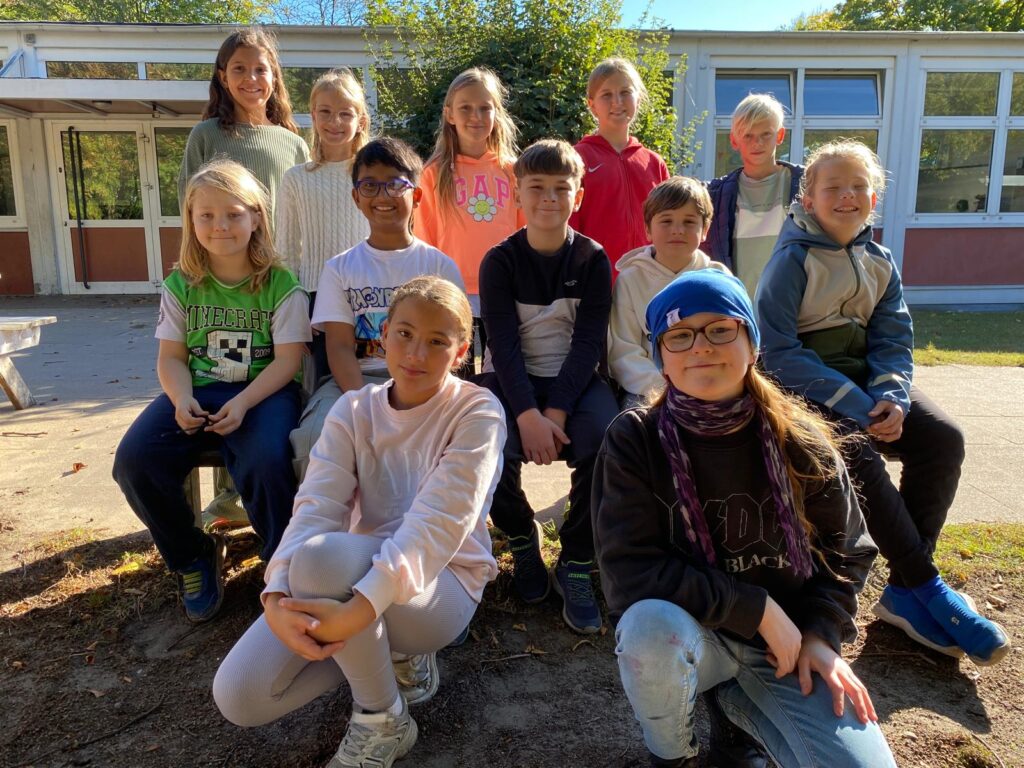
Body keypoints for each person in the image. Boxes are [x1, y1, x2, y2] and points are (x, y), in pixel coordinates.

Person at [594, 269, 895, 768]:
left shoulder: (802, 440)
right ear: (661, 357)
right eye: (679, 335)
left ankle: (736, 725)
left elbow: (848, 552)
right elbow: (629, 572)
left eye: (720, 329)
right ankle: (675, 756)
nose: (700, 347)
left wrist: (821, 634)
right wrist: (756, 610)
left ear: (752, 345)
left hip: (786, 647)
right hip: (693, 636)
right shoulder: (635, 440)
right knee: (647, 629)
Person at [213, 276, 505, 768]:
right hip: (345, 578)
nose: (416, 353)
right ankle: (379, 654)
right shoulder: (352, 409)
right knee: (241, 695)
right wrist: (277, 595)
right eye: (405, 334)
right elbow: (316, 506)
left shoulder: (477, 411)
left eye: (437, 341)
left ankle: (382, 717)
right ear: (383, 335)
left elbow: (439, 522)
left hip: (440, 585)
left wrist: (363, 606)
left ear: (461, 352)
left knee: (322, 561)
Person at [756, 139, 1011, 666]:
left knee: (943, 438)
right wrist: (856, 404)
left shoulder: (879, 259)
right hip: (806, 390)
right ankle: (925, 584)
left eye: (858, 187)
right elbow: (778, 353)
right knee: (857, 454)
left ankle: (902, 591)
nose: (847, 196)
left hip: (869, 385)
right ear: (808, 198)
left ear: (874, 199)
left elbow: (893, 337)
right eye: (833, 187)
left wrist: (892, 396)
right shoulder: (792, 260)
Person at [113, 160, 309, 623]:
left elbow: (288, 361)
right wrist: (181, 399)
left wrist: (243, 402)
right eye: (207, 215)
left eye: (233, 214)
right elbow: (171, 358)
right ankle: (191, 555)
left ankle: (281, 561)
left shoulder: (281, 284)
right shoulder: (181, 284)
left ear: (256, 217)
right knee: (135, 462)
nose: (220, 225)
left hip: (263, 394)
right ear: (191, 220)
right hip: (199, 390)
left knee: (267, 460)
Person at [477, 138, 618, 634]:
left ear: (578, 196)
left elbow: (587, 345)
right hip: (511, 379)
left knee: (608, 442)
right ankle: (520, 535)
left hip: (573, 381)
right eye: (536, 187)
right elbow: (503, 346)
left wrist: (555, 412)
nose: (549, 198)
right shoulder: (499, 261)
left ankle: (576, 557)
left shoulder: (593, 259)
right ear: (517, 194)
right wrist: (526, 415)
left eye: (561, 188)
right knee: (486, 446)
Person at [177, 27, 311, 529]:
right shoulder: (207, 135)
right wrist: (192, 273)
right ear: (222, 76)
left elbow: (301, 215)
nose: (251, 78)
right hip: (219, 280)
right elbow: (190, 208)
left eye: (261, 69)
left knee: (276, 385)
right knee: (222, 372)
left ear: (274, 77)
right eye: (239, 69)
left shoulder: (292, 142)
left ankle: (275, 496)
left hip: (275, 284)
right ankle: (231, 499)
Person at [289, 137, 464, 479]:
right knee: (313, 439)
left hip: (424, 378)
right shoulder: (339, 269)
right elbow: (339, 347)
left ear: (416, 196)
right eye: (369, 185)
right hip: (355, 380)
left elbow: (451, 343)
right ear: (356, 197)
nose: (382, 196)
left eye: (395, 185)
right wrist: (365, 407)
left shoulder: (439, 266)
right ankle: (324, 514)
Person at [275, 69, 372, 386]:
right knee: (323, 383)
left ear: (361, 120)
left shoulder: (373, 176)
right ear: (313, 116)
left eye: (346, 113)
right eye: (326, 112)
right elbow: (287, 252)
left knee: (371, 379)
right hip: (316, 298)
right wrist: (294, 309)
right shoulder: (296, 178)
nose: (335, 122)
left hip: (369, 293)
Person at [413, 67, 523, 330]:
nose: (476, 116)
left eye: (485, 108)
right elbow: (424, 239)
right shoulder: (433, 173)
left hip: (505, 287)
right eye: (465, 108)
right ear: (449, 114)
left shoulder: (514, 171)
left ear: (497, 114)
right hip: (451, 289)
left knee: (501, 355)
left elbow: (525, 233)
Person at [609, 176, 728, 408]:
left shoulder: (719, 278)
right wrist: (669, 389)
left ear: (705, 230)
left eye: (689, 222)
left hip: (710, 385)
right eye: (666, 221)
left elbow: (732, 342)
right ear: (647, 229)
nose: (678, 230)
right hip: (648, 390)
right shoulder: (630, 280)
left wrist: (704, 386)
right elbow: (623, 352)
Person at [570, 57, 669, 278]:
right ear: (592, 105)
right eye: (606, 95)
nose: (617, 102)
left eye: (625, 92)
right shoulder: (577, 159)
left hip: (649, 281)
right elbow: (569, 227)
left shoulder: (654, 163)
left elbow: (668, 222)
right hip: (596, 281)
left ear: (638, 99)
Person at [703, 93, 803, 299]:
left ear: (780, 135)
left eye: (766, 134)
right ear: (734, 140)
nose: (757, 142)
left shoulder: (806, 184)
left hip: (792, 306)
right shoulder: (716, 195)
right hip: (738, 306)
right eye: (748, 135)